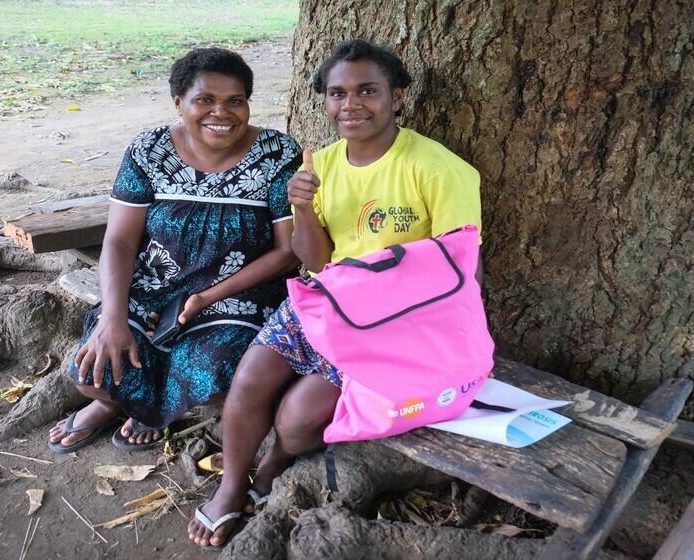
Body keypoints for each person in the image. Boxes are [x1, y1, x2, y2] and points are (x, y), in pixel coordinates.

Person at [187, 39, 483, 548]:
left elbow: (456, 272)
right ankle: (232, 486)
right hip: (326, 298)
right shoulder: (321, 162)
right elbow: (317, 261)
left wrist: (381, 310)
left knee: (298, 419)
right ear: (325, 100)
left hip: (395, 321)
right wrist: (302, 207)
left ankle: (276, 461)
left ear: (397, 96)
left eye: (367, 91)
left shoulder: (439, 169)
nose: (351, 105)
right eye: (337, 93)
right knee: (252, 374)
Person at [47, 47, 301, 454]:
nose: (221, 112)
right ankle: (114, 405)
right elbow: (119, 241)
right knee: (94, 370)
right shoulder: (149, 151)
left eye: (235, 101)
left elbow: (288, 253)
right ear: (179, 103)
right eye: (205, 100)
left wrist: (206, 297)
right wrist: (112, 316)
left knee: (214, 370)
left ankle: (149, 409)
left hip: (239, 295)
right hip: (155, 287)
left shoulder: (277, 154)